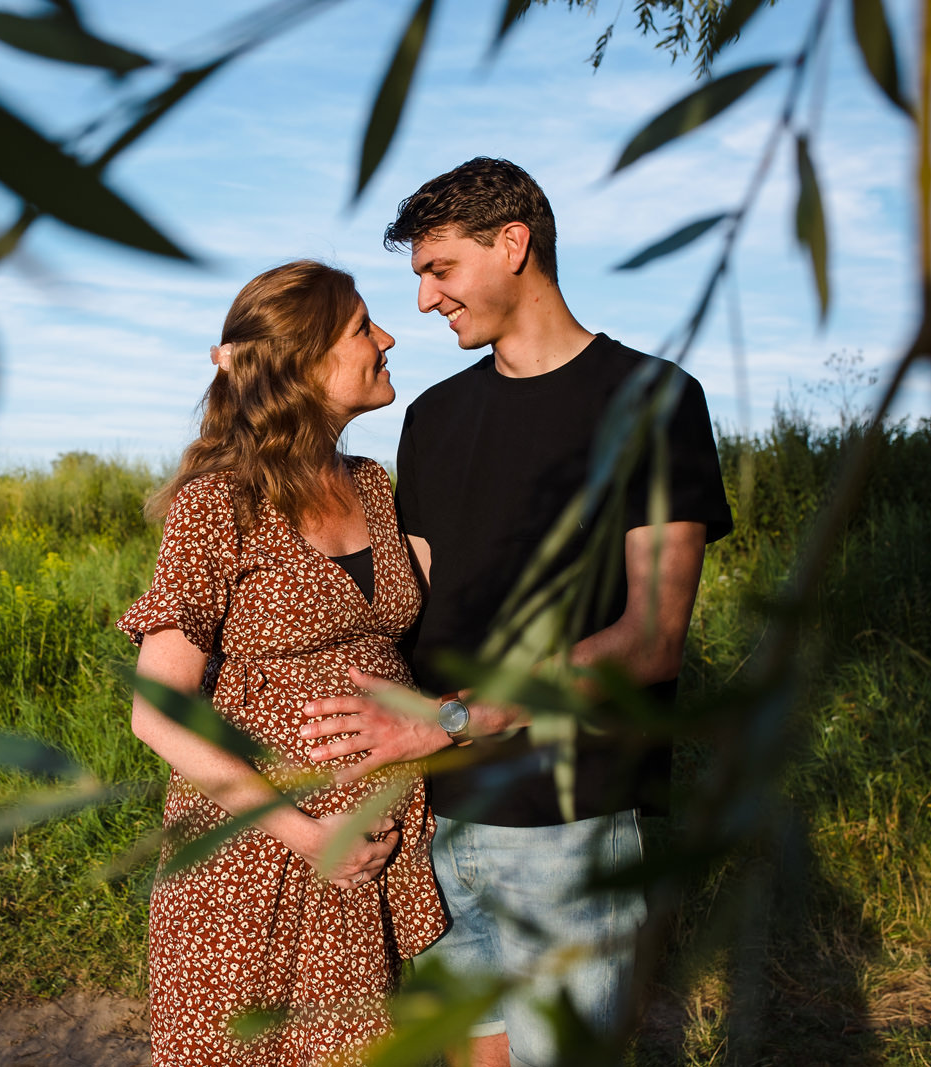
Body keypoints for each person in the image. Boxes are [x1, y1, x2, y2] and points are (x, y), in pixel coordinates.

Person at [298, 158, 734, 1066]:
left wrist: (449, 721)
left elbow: (650, 640)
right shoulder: (433, 418)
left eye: (439, 270)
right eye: (418, 277)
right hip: (434, 818)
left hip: (565, 823)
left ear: (513, 244)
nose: (422, 303)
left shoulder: (654, 402)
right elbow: (400, 610)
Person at [118, 260, 447, 1066]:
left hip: (364, 861)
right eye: (364, 326)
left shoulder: (373, 487)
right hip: (252, 861)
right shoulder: (219, 501)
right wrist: (302, 833)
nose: (389, 336)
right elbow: (156, 708)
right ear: (304, 364)